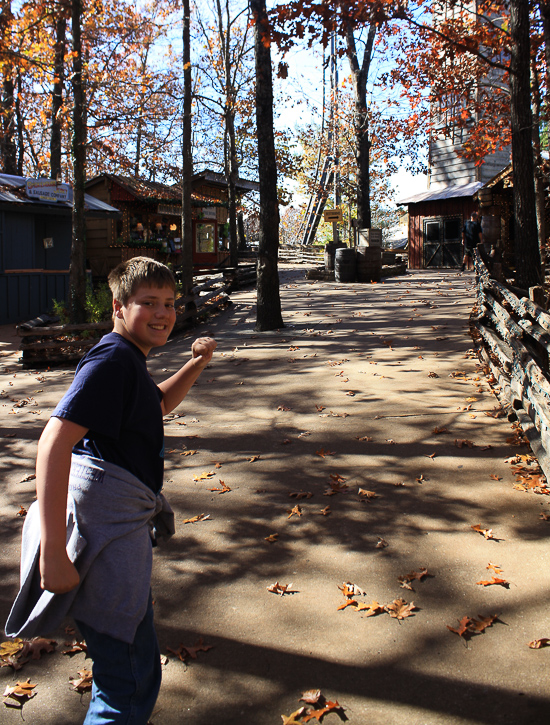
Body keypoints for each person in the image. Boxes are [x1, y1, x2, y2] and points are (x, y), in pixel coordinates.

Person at [5, 257, 217, 724]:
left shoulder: (127, 359)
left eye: (169, 303)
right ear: (119, 307)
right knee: (129, 680)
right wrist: (54, 555)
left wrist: (196, 363)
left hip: (117, 525)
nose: (162, 313)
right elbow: (54, 442)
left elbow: (155, 404)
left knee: (127, 667)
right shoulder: (112, 361)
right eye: (148, 303)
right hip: (105, 530)